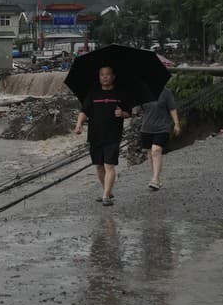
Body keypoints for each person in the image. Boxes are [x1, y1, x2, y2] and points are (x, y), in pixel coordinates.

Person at [73, 66, 131, 206]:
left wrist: (122, 114)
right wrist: (79, 124)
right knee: (99, 166)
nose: (105, 77)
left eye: (108, 74)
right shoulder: (93, 94)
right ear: (99, 77)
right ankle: (107, 190)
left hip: (113, 135)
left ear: (113, 76)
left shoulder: (120, 94)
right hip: (95, 135)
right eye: (102, 75)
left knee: (109, 165)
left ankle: (105, 196)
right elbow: (84, 111)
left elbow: (129, 113)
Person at [138, 86, 180, 190]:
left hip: (162, 128)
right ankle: (155, 177)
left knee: (156, 151)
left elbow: (172, 108)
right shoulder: (143, 92)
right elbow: (139, 109)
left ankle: (155, 179)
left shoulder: (166, 92)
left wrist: (176, 124)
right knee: (150, 153)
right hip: (146, 128)